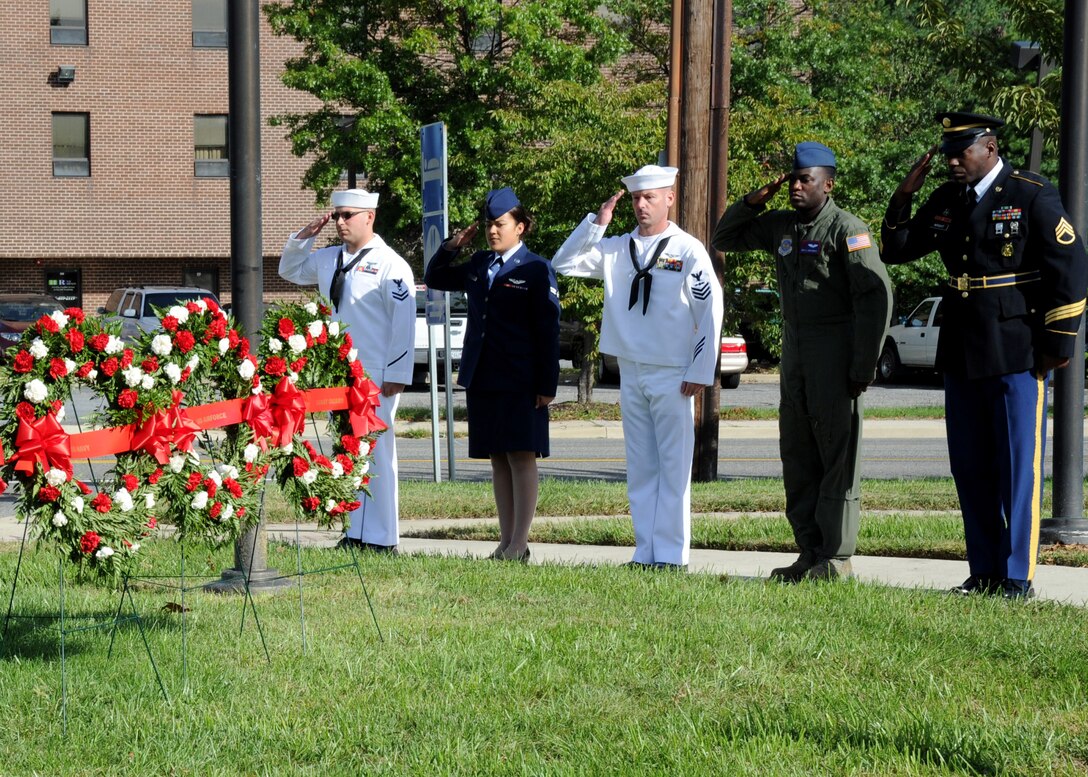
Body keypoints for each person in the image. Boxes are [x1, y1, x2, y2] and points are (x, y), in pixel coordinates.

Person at [881, 112, 1088, 600]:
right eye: (949, 153)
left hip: (1017, 349)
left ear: (989, 148)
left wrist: (1058, 344)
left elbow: (1071, 266)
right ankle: (985, 570)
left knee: (1017, 467)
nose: (953, 161)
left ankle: (1017, 577)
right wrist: (905, 194)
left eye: (961, 152)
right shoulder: (949, 198)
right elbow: (896, 248)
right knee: (970, 466)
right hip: (961, 349)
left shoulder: (1030, 193)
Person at [712, 142, 892, 582]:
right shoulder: (782, 226)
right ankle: (808, 551)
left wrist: (862, 364)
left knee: (836, 451)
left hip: (834, 347)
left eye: (804, 179)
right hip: (795, 349)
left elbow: (876, 297)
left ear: (827, 184)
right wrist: (756, 198)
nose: (795, 186)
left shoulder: (848, 230)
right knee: (797, 450)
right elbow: (725, 238)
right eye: (792, 179)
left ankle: (836, 555)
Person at [553, 165, 723, 570]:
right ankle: (645, 551)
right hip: (630, 369)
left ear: (669, 198)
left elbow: (709, 307)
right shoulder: (615, 248)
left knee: (673, 467)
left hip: (671, 372)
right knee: (641, 466)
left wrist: (700, 368)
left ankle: (671, 555)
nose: (641, 205)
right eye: (635, 198)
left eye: (650, 197)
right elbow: (564, 261)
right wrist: (596, 224)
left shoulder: (686, 249)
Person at [424, 188, 560, 562]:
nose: (493, 231)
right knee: (497, 457)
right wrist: (452, 246)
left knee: (521, 456)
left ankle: (520, 542)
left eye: (500, 224)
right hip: (483, 374)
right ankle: (505, 540)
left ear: (521, 227)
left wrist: (547, 384)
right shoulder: (480, 263)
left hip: (521, 378)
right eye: (489, 225)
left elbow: (548, 329)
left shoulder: (536, 268)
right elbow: (434, 276)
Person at [279, 188, 416, 553]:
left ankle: (383, 537)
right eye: (337, 215)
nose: (340, 222)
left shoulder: (391, 264)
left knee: (377, 451)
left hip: (375, 372)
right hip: (340, 371)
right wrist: (303, 238)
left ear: (369, 217)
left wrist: (398, 372)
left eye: (348, 215)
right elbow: (289, 270)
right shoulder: (327, 258)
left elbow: (403, 322)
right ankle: (356, 532)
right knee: (349, 450)